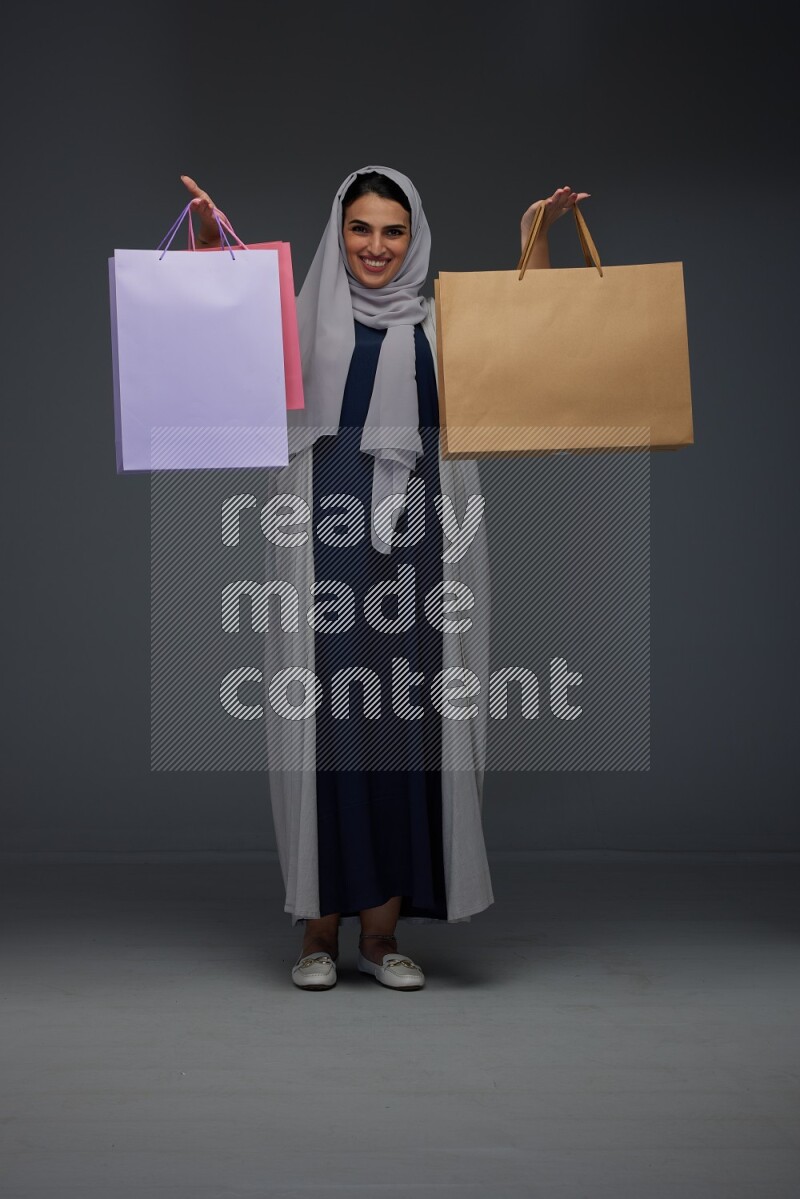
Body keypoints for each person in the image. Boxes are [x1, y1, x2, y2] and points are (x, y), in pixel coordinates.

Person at [180, 167, 589, 991]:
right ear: (340, 233)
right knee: (328, 721)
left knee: (408, 718)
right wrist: (203, 239)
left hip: (423, 540)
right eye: (361, 228)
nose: (375, 246)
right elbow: (221, 342)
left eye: (392, 231)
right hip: (321, 538)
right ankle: (317, 931)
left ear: (414, 237)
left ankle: (382, 934)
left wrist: (538, 239)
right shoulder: (303, 319)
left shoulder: (442, 322)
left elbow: (525, 343)